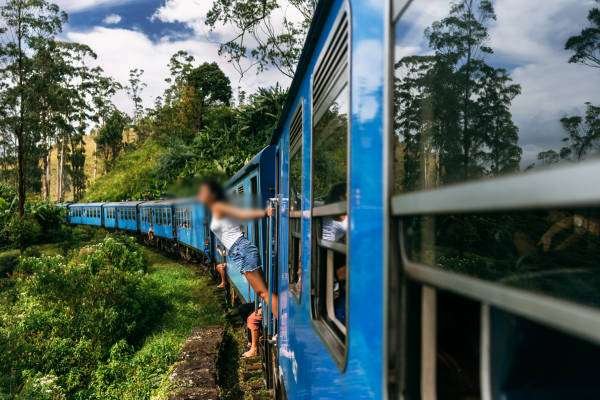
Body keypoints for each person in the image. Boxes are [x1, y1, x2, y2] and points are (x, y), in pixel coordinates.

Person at [197, 179, 278, 318]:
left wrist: (264, 213)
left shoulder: (219, 206)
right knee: (264, 292)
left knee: (264, 293)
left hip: (242, 249)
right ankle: (283, 323)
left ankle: (284, 327)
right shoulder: (216, 208)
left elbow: (241, 214)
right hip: (239, 251)